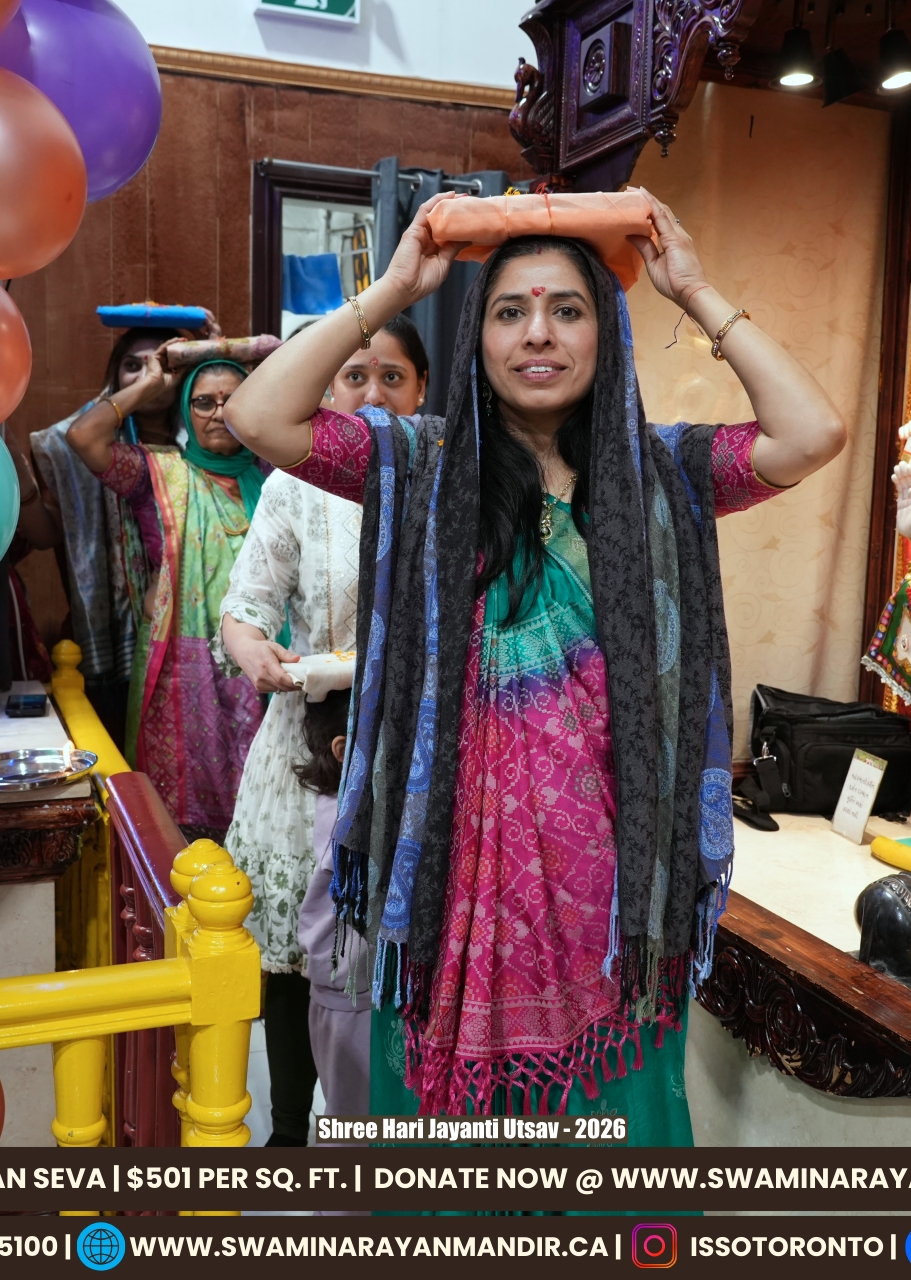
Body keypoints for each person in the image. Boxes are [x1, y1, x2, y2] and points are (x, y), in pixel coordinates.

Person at [225, 190, 845, 1137]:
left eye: (568, 309)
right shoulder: (421, 467)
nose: (538, 334)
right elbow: (259, 416)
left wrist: (696, 291)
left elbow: (812, 434)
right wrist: (392, 291)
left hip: (606, 897)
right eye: (510, 312)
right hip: (449, 888)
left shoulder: (659, 476)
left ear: (608, 335)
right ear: (477, 339)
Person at [219, 315, 428, 1145]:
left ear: (423, 390)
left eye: (393, 377)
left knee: (402, 950)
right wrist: (252, 649)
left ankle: (392, 1126)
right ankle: (289, 1132)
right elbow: (245, 608)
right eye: (354, 376)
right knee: (299, 956)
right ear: (325, 388)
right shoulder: (296, 484)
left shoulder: (453, 481)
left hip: (425, 745)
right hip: (311, 746)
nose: (373, 395)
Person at [64, 348, 267, 840]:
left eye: (233, 400)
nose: (218, 412)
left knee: (264, 808)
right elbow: (83, 437)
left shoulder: (280, 473)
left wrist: (256, 351)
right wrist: (149, 384)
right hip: (184, 670)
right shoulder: (157, 473)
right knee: (182, 824)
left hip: (264, 662)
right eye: (204, 402)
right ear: (185, 410)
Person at [30, 321, 217, 743]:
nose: (147, 373)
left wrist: (211, 355)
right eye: (132, 365)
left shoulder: (205, 450)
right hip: (112, 630)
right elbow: (77, 439)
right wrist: (148, 385)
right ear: (114, 377)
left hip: (190, 629)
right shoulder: (87, 447)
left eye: (161, 364)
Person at [294, 687, 369, 1124]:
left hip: (346, 991)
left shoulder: (338, 800)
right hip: (348, 997)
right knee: (352, 1121)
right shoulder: (350, 816)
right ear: (343, 751)